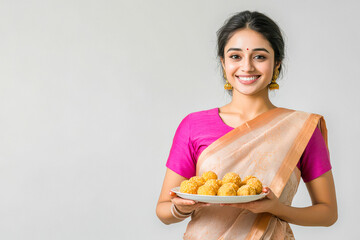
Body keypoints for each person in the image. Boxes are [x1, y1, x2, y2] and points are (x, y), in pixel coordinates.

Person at [156, 10, 337, 239]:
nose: (247, 67)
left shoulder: (301, 128)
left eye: (260, 57)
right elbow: (163, 209)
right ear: (223, 63)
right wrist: (179, 208)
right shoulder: (193, 125)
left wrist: (276, 208)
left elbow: (328, 213)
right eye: (235, 56)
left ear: (277, 63)